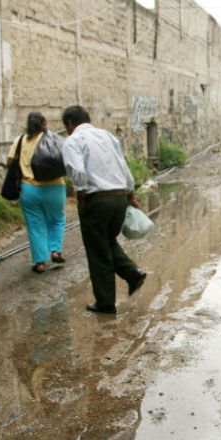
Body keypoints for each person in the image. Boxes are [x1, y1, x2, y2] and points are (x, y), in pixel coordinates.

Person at [61, 105, 147, 314]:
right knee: (106, 241)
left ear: (70, 123)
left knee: (97, 250)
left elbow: (78, 171)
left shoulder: (73, 141)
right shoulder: (108, 136)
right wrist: (130, 193)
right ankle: (132, 273)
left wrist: (81, 199)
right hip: (118, 198)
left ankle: (106, 303)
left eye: (66, 127)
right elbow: (123, 165)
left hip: (97, 199)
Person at [7, 112, 67, 274]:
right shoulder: (54, 139)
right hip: (55, 187)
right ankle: (55, 250)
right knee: (57, 220)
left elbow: (10, 162)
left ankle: (40, 262)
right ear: (44, 123)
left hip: (29, 189)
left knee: (35, 226)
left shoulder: (19, 141)